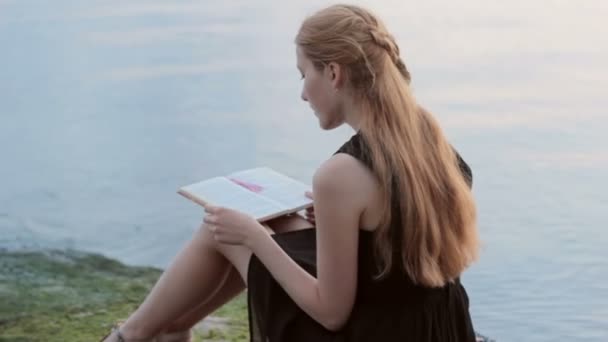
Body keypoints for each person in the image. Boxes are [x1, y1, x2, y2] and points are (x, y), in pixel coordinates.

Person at [101, 4, 480, 342]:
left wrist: (254, 235)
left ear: (333, 73)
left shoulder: (340, 174)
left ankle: (138, 334)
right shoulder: (430, 138)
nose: (302, 94)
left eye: (304, 74)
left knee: (229, 231)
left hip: (371, 330)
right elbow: (396, 241)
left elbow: (331, 315)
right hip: (435, 326)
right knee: (271, 225)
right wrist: (332, 219)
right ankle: (167, 328)